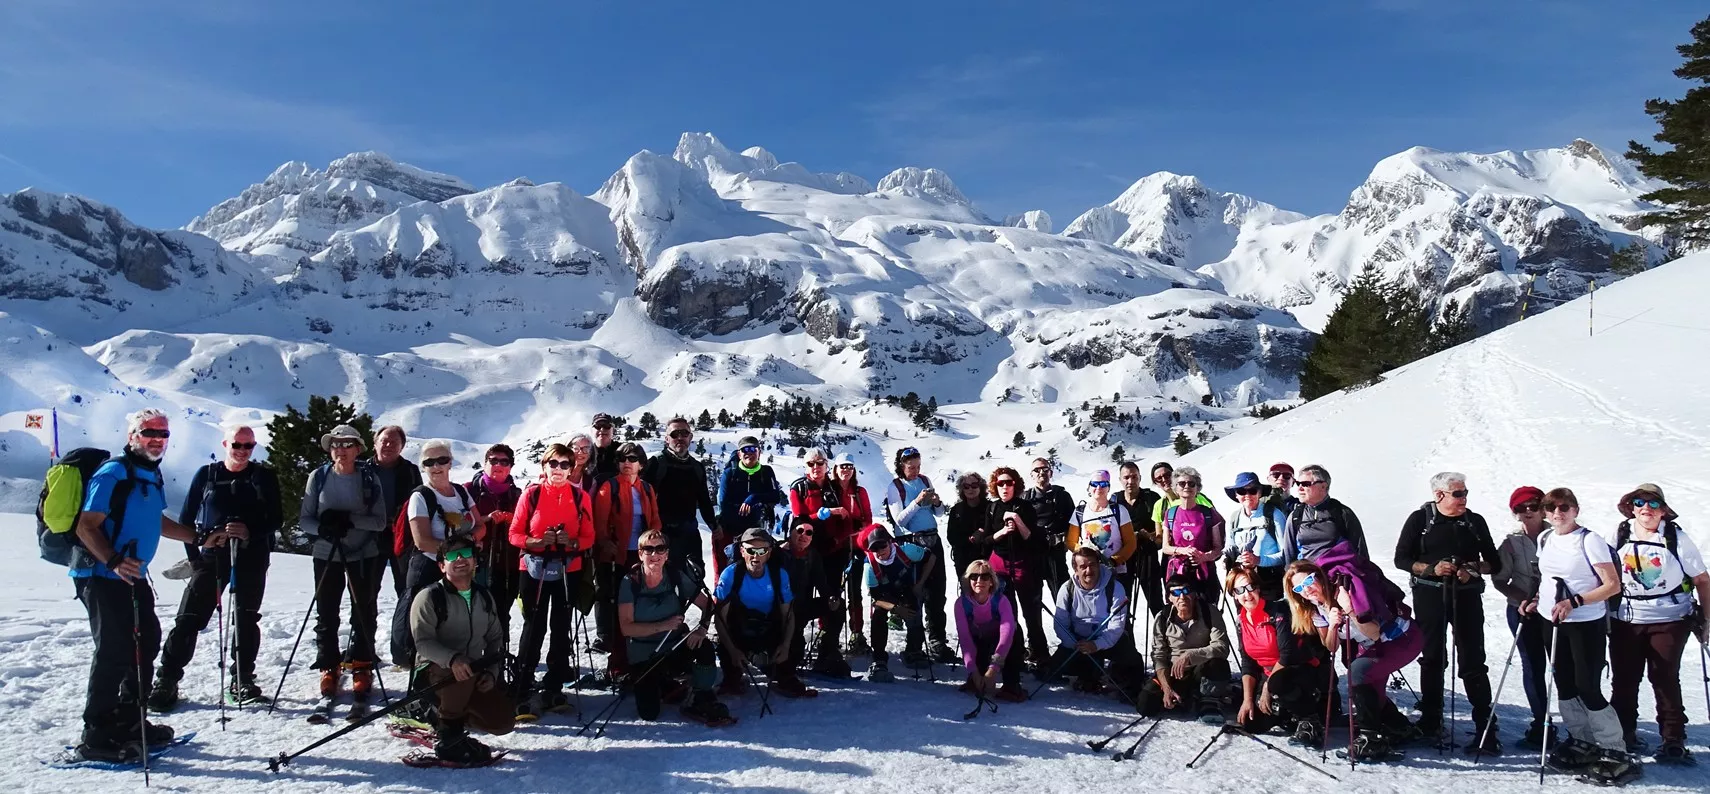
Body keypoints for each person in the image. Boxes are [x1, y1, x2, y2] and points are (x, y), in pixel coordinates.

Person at [70, 409, 216, 761]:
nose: (156, 439)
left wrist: (199, 537)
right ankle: (96, 733)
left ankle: (130, 718)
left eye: (163, 434)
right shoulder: (114, 473)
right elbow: (86, 526)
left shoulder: (149, 474)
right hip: (101, 575)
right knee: (114, 649)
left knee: (146, 641)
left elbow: (159, 521)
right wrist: (114, 560)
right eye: (149, 432)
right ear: (132, 434)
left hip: (131, 575)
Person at [152, 424, 282, 711]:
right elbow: (187, 517)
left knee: (246, 617)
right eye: (237, 445)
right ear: (226, 444)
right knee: (189, 618)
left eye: (248, 446)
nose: (242, 451)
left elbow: (276, 518)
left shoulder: (263, 477)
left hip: (252, 555)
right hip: (212, 555)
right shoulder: (207, 475)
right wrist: (195, 557)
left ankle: (242, 679)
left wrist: (249, 530)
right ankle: (166, 680)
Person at [1526, 488, 1638, 785]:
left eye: (1564, 507)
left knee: (1587, 685)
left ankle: (1614, 750)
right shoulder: (1546, 538)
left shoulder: (1590, 540)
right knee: (1564, 683)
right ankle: (1581, 739)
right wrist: (1538, 599)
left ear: (1575, 509)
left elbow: (1612, 585)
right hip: (1552, 619)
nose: (1557, 513)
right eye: (1550, 508)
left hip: (1585, 621)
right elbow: (1547, 577)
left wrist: (1576, 602)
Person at [1393, 471, 1500, 751]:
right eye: (1459, 493)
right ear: (1439, 495)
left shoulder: (1474, 522)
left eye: (1465, 493)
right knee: (1432, 657)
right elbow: (1401, 558)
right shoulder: (1421, 520)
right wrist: (1431, 569)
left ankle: (1485, 725)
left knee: (1473, 659)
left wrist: (1471, 569)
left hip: (1466, 597)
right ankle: (1431, 719)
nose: (1464, 498)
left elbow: (1494, 562)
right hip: (1429, 595)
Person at [1607, 483, 1710, 765]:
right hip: (1626, 618)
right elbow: (1602, 570)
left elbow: (1702, 579)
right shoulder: (1620, 533)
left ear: (1663, 510)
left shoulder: (1675, 537)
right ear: (1631, 506)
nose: (1646, 509)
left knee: (1664, 677)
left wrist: (1706, 619)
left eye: (1653, 504)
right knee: (1625, 678)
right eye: (1640, 503)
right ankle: (1624, 734)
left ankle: (1673, 739)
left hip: (1670, 618)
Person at [1284, 560, 1423, 760]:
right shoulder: (1315, 609)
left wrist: (1349, 609)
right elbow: (1330, 646)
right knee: (1367, 687)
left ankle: (1370, 739)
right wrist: (1332, 626)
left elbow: (1374, 632)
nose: (1306, 590)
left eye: (1308, 581)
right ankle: (1400, 729)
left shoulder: (1345, 591)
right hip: (1378, 645)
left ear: (1318, 576)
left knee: (1358, 672)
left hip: (1402, 637)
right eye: (1299, 588)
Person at [407, 535, 514, 766]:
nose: (460, 560)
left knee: (503, 722)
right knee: (462, 672)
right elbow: (423, 642)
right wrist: (453, 659)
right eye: (452, 556)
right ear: (442, 565)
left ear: (475, 561)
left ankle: (440, 714)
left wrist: (491, 672)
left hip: (472, 673)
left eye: (466, 554)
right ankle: (449, 739)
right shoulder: (429, 597)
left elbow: (495, 638)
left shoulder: (484, 596)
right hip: (433, 674)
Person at [299, 424, 388, 704]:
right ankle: (329, 665)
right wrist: (325, 530)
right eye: (336, 444)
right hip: (327, 554)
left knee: (364, 610)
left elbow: (380, 521)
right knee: (326, 611)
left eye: (347, 444)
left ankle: (361, 663)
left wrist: (348, 521)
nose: (341, 449)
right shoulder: (319, 477)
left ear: (358, 449)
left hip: (364, 554)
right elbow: (305, 520)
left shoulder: (369, 479)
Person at [510, 443, 595, 718]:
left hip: (568, 568)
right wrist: (536, 541)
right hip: (533, 567)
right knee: (533, 628)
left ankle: (554, 687)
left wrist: (571, 542)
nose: (559, 469)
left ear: (572, 469)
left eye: (565, 464)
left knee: (561, 629)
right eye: (553, 463)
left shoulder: (580, 497)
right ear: (544, 466)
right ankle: (522, 689)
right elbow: (514, 534)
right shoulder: (531, 494)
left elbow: (589, 536)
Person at [619, 529, 732, 725]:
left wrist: (702, 629)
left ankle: (701, 696)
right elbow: (627, 628)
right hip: (645, 655)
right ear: (640, 553)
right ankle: (666, 685)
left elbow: (707, 604)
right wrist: (663, 625)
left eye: (660, 549)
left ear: (667, 554)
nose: (655, 555)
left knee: (703, 647)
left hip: (674, 645)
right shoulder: (631, 582)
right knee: (649, 713)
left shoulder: (675, 576)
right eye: (649, 549)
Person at [393, 440, 483, 678]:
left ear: (450, 462)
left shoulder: (461, 492)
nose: (436, 466)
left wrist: (470, 542)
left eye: (441, 460)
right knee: (428, 631)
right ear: (423, 466)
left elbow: (480, 524)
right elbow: (422, 541)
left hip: (459, 572)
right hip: (430, 570)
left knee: (454, 628)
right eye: (429, 462)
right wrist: (460, 551)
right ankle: (424, 685)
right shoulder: (421, 497)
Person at [1228, 568, 1330, 743]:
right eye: (1239, 590)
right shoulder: (1242, 621)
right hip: (1270, 676)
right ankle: (1287, 715)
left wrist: (1267, 688)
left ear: (1258, 588)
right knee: (1250, 723)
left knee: (1277, 683)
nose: (1247, 594)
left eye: (1250, 587)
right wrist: (1248, 699)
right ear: (1234, 595)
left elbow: (1288, 655)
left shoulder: (1277, 612)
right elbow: (1248, 662)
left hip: (1298, 672)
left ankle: (1309, 718)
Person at [1492, 485, 1553, 750]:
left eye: (1533, 506)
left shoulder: (1559, 536)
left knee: (1563, 667)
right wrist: (1522, 597)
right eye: (1521, 508)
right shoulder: (1511, 543)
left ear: (1543, 508)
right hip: (1521, 610)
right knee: (1533, 665)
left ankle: (1579, 727)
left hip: (1555, 611)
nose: (1528, 512)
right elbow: (1500, 579)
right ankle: (1542, 723)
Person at [715, 528, 810, 697]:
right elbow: (720, 618)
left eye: (762, 551)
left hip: (769, 628)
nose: (756, 556)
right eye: (751, 550)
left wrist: (786, 645)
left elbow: (788, 615)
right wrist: (731, 650)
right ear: (742, 551)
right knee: (725, 645)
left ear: (769, 553)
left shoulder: (779, 575)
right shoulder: (730, 575)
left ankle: (784, 675)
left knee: (795, 640)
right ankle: (733, 676)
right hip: (740, 629)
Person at [593, 442, 661, 678]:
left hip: (641, 556)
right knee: (621, 609)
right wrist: (605, 543)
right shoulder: (609, 487)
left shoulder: (647, 489)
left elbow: (655, 522)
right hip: (618, 557)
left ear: (641, 464)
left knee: (642, 607)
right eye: (622, 459)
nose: (626, 463)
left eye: (632, 459)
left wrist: (656, 547)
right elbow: (599, 524)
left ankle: (641, 657)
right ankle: (619, 662)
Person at [881, 446, 953, 663]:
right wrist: (916, 503)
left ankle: (937, 641)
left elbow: (938, 513)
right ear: (901, 467)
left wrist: (937, 502)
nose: (915, 470)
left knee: (937, 592)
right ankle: (914, 645)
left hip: (932, 538)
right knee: (915, 594)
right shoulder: (895, 487)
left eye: (918, 466)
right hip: (910, 543)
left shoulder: (925, 480)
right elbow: (899, 519)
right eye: (911, 467)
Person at [972, 467, 1045, 670]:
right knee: (1007, 614)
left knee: (1031, 612)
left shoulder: (1026, 507)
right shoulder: (992, 508)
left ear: (1016, 485)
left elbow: (1032, 539)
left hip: (1023, 564)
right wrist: (1002, 532)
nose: (1004, 487)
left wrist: (1018, 521)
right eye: (1000, 483)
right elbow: (986, 540)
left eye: (1009, 483)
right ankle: (1015, 655)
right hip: (999, 564)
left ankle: (1041, 655)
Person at [1051, 549, 1142, 696]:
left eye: (1092, 565)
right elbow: (1060, 624)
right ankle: (1087, 674)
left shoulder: (1115, 587)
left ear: (1099, 565)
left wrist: (1096, 645)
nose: (1089, 570)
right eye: (1083, 567)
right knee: (1054, 668)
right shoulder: (1067, 589)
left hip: (1106, 639)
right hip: (1078, 640)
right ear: (1075, 569)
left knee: (1134, 661)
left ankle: (1124, 681)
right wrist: (1074, 643)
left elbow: (1116, 625)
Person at [1138, 572, 1229, 718]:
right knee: (1145, 705)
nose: (1182, 597)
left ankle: (1208, 699)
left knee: (1218, 664)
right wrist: (1166, 688)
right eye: (1176, 593)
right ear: (1169, 598)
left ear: (1194, 594)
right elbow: (1159, 656)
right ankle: (1180, 696)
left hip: (1201, 669)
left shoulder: (1209, 612)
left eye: (1186, 591)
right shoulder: (1162, 618)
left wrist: (1190, 655)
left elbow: (1221, 647)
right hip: (1174, 673)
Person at [1068, 471, 1138, 641]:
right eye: (1095, 484)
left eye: (1104, 484)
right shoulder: (1080, 512)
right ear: (1089, 488)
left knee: (1119, 614)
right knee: (1093, 614)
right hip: (1090, 573)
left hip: (1117, 572)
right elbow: (1070, 541)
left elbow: (1131, 542)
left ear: (1108, 488)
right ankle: (1094, 652)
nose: (1099, 488)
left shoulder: (1118, 510)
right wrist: (1084, 553)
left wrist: (1114, 561)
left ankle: (1124, 657)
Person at [643, 416, 718, 575]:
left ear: (690, 437)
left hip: (689, 533)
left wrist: (714, 525)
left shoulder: (696, 467)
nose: (680, 438)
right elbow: (642, 499)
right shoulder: (656, 464)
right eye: (674, 434)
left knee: (695, 577)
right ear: (666, 439)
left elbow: (704, 499)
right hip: (662, 535)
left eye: (684, 433)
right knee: (664, 579)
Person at [859, 524, 934, 680]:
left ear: (890, 541)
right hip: (884, 595)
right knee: (878, 615)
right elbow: (876, 598)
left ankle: (913, 650)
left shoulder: (906, 550)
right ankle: (879, 659)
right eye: (875, 549)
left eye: (883, 545)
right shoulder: (870, 567)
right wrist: (896, 609)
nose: (880, 551)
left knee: (913, 610)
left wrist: (920, 584)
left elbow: (931, 557)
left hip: (906, 588)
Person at [466, 444, 523, 639]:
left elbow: (527, 524)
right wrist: (485, 519)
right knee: (473, 613)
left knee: (500, 613)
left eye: (504, 461)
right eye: (493, 460)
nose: (498, 465)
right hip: (475, 563)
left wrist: (512, 518)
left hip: (508, 563)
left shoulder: (517, 495)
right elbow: (458, 523)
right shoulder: (468, 491)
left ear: (511, 466)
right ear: (484, 464)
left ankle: (498, 660)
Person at [955, 560, 1026, 702]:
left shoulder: (1001, 601)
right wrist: (973, 672)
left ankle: (1011, 685)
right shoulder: (961, 604)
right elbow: (965, 641)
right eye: (974, 577)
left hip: (1000, 645)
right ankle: (976, 678)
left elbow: (1006, 637)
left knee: (1015, 635)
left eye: (985, 577)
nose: (979, 580)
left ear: (992, 581)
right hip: (979, 644)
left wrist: (993, 668)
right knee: (978, 680)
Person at [779, 519, 841, 682]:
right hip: (780, 611)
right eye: (799, 531)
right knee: (795, 650)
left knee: (837, 608)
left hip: (802, 607)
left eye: (809, 532)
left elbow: (821, 583)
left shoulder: (812, 556)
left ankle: (827, 653)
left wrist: (830, 599)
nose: (803, 536)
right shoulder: (777, 553)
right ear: (791, 532)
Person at [371, 425, 423, 611]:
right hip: (369, 538)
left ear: (402, 447)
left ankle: (404, 635)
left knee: (406, 589)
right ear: (375, 443)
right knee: (366, 592)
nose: (388, 445)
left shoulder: (410, 471)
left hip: (402, 539)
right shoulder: (363, 470)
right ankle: (363, 638)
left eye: (394, 442)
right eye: (384, 440)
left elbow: (420, 502)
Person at [716, 436, 784, 575]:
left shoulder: (766, 472)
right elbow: (723, 503)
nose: (749, 452)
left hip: (756, 530)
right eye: (745, 449)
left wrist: (753, 498)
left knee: (754, 571)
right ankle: (722, 596)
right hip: (730, 529)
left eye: (753, 449)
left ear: (759, 452)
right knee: (725, 569)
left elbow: (775, 496)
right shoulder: (730, 473)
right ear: (739, 453)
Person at [1157, 467, 1226, 603]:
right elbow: (1165, 547)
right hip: (1178, 575)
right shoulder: (1170, 514)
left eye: (1191, 483)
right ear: (1175, 488)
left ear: (1197, 488)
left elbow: (1218, 548)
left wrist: (1204, 557)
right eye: (1182, 483)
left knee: (1207, 615)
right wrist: (1181, 550)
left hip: (1204, 573)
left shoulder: (1208, 514)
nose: (1186, 486)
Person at [829, 453, 872, 660]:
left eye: (849, 466)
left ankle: (857, 633)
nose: (846, 470)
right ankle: (828, 630)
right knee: (831, 591)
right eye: (842, 466)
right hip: (833, 548)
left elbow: (868, 520)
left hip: (854, 547)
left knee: (855, 592)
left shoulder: (859, 492)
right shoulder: (830, 490)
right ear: (835, 469)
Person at [1280, 464, 1368, 564]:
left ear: (1323, 486)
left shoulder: (1342, 513)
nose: (1300, 488)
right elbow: (1289, 556)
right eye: (1298, 483)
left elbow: (1361, 552)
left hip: (1337, 575)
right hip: (1308, 576)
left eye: (1305, 484)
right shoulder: (1296, 516)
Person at [1221, 472, 1287, 604]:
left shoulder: (1274, 515)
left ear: (1260, 492)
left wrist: (1258, 560)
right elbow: (1230, 547)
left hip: (1270, 581)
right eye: (1241, 491)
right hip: (1243, 584)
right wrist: (1227, 559)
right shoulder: (1234, 518)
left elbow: (1286, 554)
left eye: (1252, 490)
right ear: (1236, 495)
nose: (1247, 495)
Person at [1114, 461, 1164, 616]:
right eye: (1126, 477)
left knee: (1155, 602)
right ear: (1120, 480)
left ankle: (1163, 637)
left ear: (1140, 478)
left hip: (1147, 556)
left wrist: (1148, 536)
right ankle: (1125, 639)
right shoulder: (1114, 501)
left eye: (1134, 477)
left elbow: (1162, 531)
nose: (1130, 481)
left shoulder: (1151, 498)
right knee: (1122, 605)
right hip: (1124, 559)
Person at [1024, 458, 1076, 607]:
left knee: (1064, 599)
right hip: (1033, 557)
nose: (1042, 473)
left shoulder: (1062, 496)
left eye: (1045, 469)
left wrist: (1066, 541)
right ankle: (1036, 631)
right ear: (1031, 475)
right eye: (1037, 470)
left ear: (1051, 473)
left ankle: (1067, 630)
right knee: (1032, 603)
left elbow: (1073, 524)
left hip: (1056, 555)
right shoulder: (1025, 499)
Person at [947, 471, 990, 597]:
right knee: (968, 594)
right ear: (962, 489)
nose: (970, 489)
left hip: (987, 559)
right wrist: (969, 539)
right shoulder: (956, 510)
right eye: (966, 486)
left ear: (981, 487)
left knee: (989, 595)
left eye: (974, 485)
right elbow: (951, 537)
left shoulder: (990, 507)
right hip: (964, 561)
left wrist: (984, 533)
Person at [590, 413, 620, 480]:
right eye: (598, 426)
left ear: (613, 430)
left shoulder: (623, 451)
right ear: (591, 430)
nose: (602, 429)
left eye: (606, 426)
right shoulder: (585, 453)